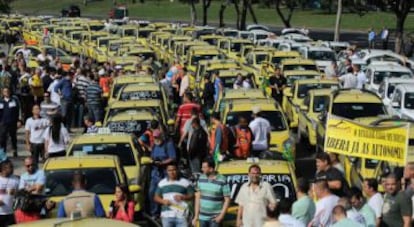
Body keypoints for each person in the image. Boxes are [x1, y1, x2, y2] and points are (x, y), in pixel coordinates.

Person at [192, 158, 230, 227]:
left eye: (204, 167)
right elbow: (197, 198)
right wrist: (196, 216)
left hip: (215, 219)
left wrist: (221, 216)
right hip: (202, 218)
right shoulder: (201, 178)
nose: (201, 169)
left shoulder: (222, 180)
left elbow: (227, 200)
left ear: (211, 169)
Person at [154, 162, 194, 227]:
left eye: (174, 170)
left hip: (182, 215)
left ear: (177, 170)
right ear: (166, 171)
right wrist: (163, 201)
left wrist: (183, 197)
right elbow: (156, 197)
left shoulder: (185, 182)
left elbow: (192, 195)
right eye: (169, 170)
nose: (172, 172)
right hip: (167, 215)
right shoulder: (162, 183)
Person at [148, 129, 176, 217]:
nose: (156, 139)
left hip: (165, 173)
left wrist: (162, 163)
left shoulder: (168, 145)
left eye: (157, 137)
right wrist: (152, 161)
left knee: (166, 193)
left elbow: (173, 158)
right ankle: (154, 212)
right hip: (155, 173)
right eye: (154, 137)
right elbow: (151, 156)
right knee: (152, 192)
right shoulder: (154, 146)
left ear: (161, 136)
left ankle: (166, 211)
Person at [15, 157, 49, 223]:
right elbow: (22, 191)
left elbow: (39, 188)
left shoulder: (41, 173)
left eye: (32, 165)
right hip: (27, 205)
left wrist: (28, 189)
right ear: (25, 166)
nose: (30, 167)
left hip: (39, 203)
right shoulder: (23, 176)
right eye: (28, 166)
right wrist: (34, 187)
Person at [0, 87, 20, 157]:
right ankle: (3, 152)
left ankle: (14, 150)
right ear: (2, 92)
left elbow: (18, 110)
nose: (6, 92)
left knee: (13, 137)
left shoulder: (14, 100)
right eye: (5, 91)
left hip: (12, 122)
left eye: (7, 91)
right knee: (2, 138)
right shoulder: (1, 101)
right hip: (3, 123)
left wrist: (19, 120)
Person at [0, 159, 19, 226]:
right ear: (3, 169)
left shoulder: (16, 179)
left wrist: (15, 192)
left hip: (11, 214)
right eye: (10, 167)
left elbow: (21, 194)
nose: (12, 168)